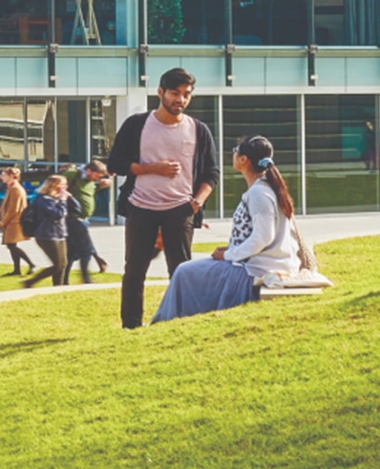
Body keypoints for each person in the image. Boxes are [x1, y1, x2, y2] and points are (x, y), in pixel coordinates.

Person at [108, 67, 220, 329]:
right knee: (134, 270)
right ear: (160, 92)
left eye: (186, 95)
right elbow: (115, 163)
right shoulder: (137, 124)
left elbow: (211, 173)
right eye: (174, 93)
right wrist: (151, 169)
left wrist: (196, 203)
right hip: (140, 207)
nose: (180, 99)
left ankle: (179, 320)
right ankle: (131, 326)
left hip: (181, 210)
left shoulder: (198, 130)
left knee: (180, 270)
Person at [153, 135, 299, 323]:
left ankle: (166, 321)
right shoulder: (266, 189)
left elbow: (263, 237)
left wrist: (229, 255)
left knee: (184, 272)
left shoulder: (259, 193)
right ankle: (170, 319)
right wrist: (231, 250)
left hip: (254, 270)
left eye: (235, 152)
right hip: (251, 263)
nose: (233, 155)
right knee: (188, 271)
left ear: (243, 160)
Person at [64, 161, 111, 284]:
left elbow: (87, 191)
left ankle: (64, 281)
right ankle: (86, 279)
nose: (98, 178)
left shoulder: (89, 182)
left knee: (71, 253)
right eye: (97, 175)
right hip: (74, 219)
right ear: (89, 170)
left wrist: (100, 185)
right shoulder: (73, 174)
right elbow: (56, 185)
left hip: (82, 219)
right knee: (86, 252)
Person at [23, 175, 73, 287]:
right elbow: (57, 214)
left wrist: (69, 198)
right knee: (57, 265)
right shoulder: (44, 200)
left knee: (63, 264)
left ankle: (57, 286)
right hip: (47, 235)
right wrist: (63, 201)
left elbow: (77, 208)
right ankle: (30, 282)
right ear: (54, 186)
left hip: (60, 234)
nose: (65, 187)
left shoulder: (57, 199)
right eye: (63, 185)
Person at [0, 167, 35, 276]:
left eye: (4, 175)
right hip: (12, 221)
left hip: (14, 221)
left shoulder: (15, 189)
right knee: (11, 245)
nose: (1, 177)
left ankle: (31, 264)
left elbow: (14, 208)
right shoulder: (11, 187)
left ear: (11, 176)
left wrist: (3, 222)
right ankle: (17, 269)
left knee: (12, 245)